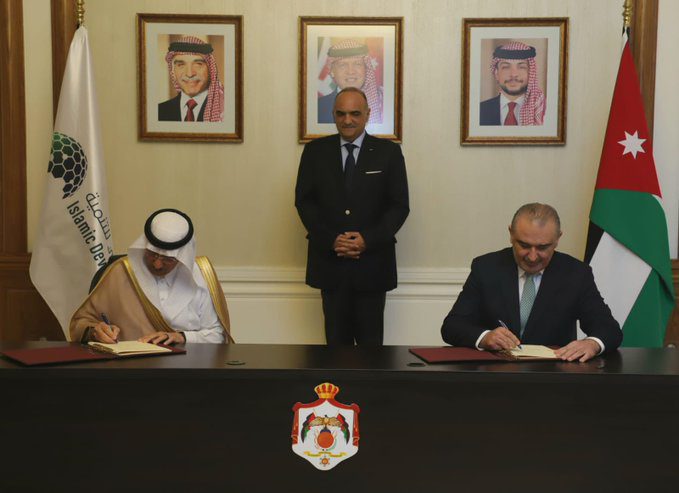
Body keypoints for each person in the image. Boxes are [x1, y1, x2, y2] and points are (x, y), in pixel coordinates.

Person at [296, 87, 409, 346]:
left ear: (367, 114)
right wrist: (332, 240)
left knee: (371, 350)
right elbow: (305, 202)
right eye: (341, 114)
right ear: (333, 115)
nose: (347, 120)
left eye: (355, 114)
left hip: (373, 267)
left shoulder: (388, 152)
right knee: (335, 348)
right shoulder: (315, 151)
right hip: (330, 266)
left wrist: (367, 239)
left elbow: (399, 206)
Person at [441, 203, 622, 362]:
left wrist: (592, 343)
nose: (533, 257)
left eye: (543, 247)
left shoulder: (576, 274)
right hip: (495, 374)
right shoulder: (486, 268)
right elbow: (452, 326)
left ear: (558, 239)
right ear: (511, 234)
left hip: (554, 377)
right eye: (524, 245)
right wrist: (485, 337)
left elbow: (609, 329)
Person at [70, 208, 233, 345]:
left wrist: (182, 337)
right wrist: (96, 331)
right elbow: (81, 323)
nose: (157, 265)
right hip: (129, 367)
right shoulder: (121, 273)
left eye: (168, 259)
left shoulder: (201, 276)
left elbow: (217, 335)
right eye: (152, 254)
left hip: (187, 366)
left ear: (183, 256)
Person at [158, 35, 224, 122]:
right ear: (173, 71)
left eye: (198, 64)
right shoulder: (159, 111)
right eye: (181, 65)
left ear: (210, 69)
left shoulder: (225, 110)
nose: (189, 74)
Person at [479, 41, 545, 126]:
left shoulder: (543, 110)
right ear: (496, 74)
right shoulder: (479, 110)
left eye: (521, 67)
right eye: (506, 67)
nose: (513, 74)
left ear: (531, 73)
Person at [318, 39, 383, 124]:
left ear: (366, 69)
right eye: (343, 65)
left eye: (357, 64)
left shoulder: (383, 103)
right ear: (332, 71)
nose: (351, 71)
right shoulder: (319, 107)